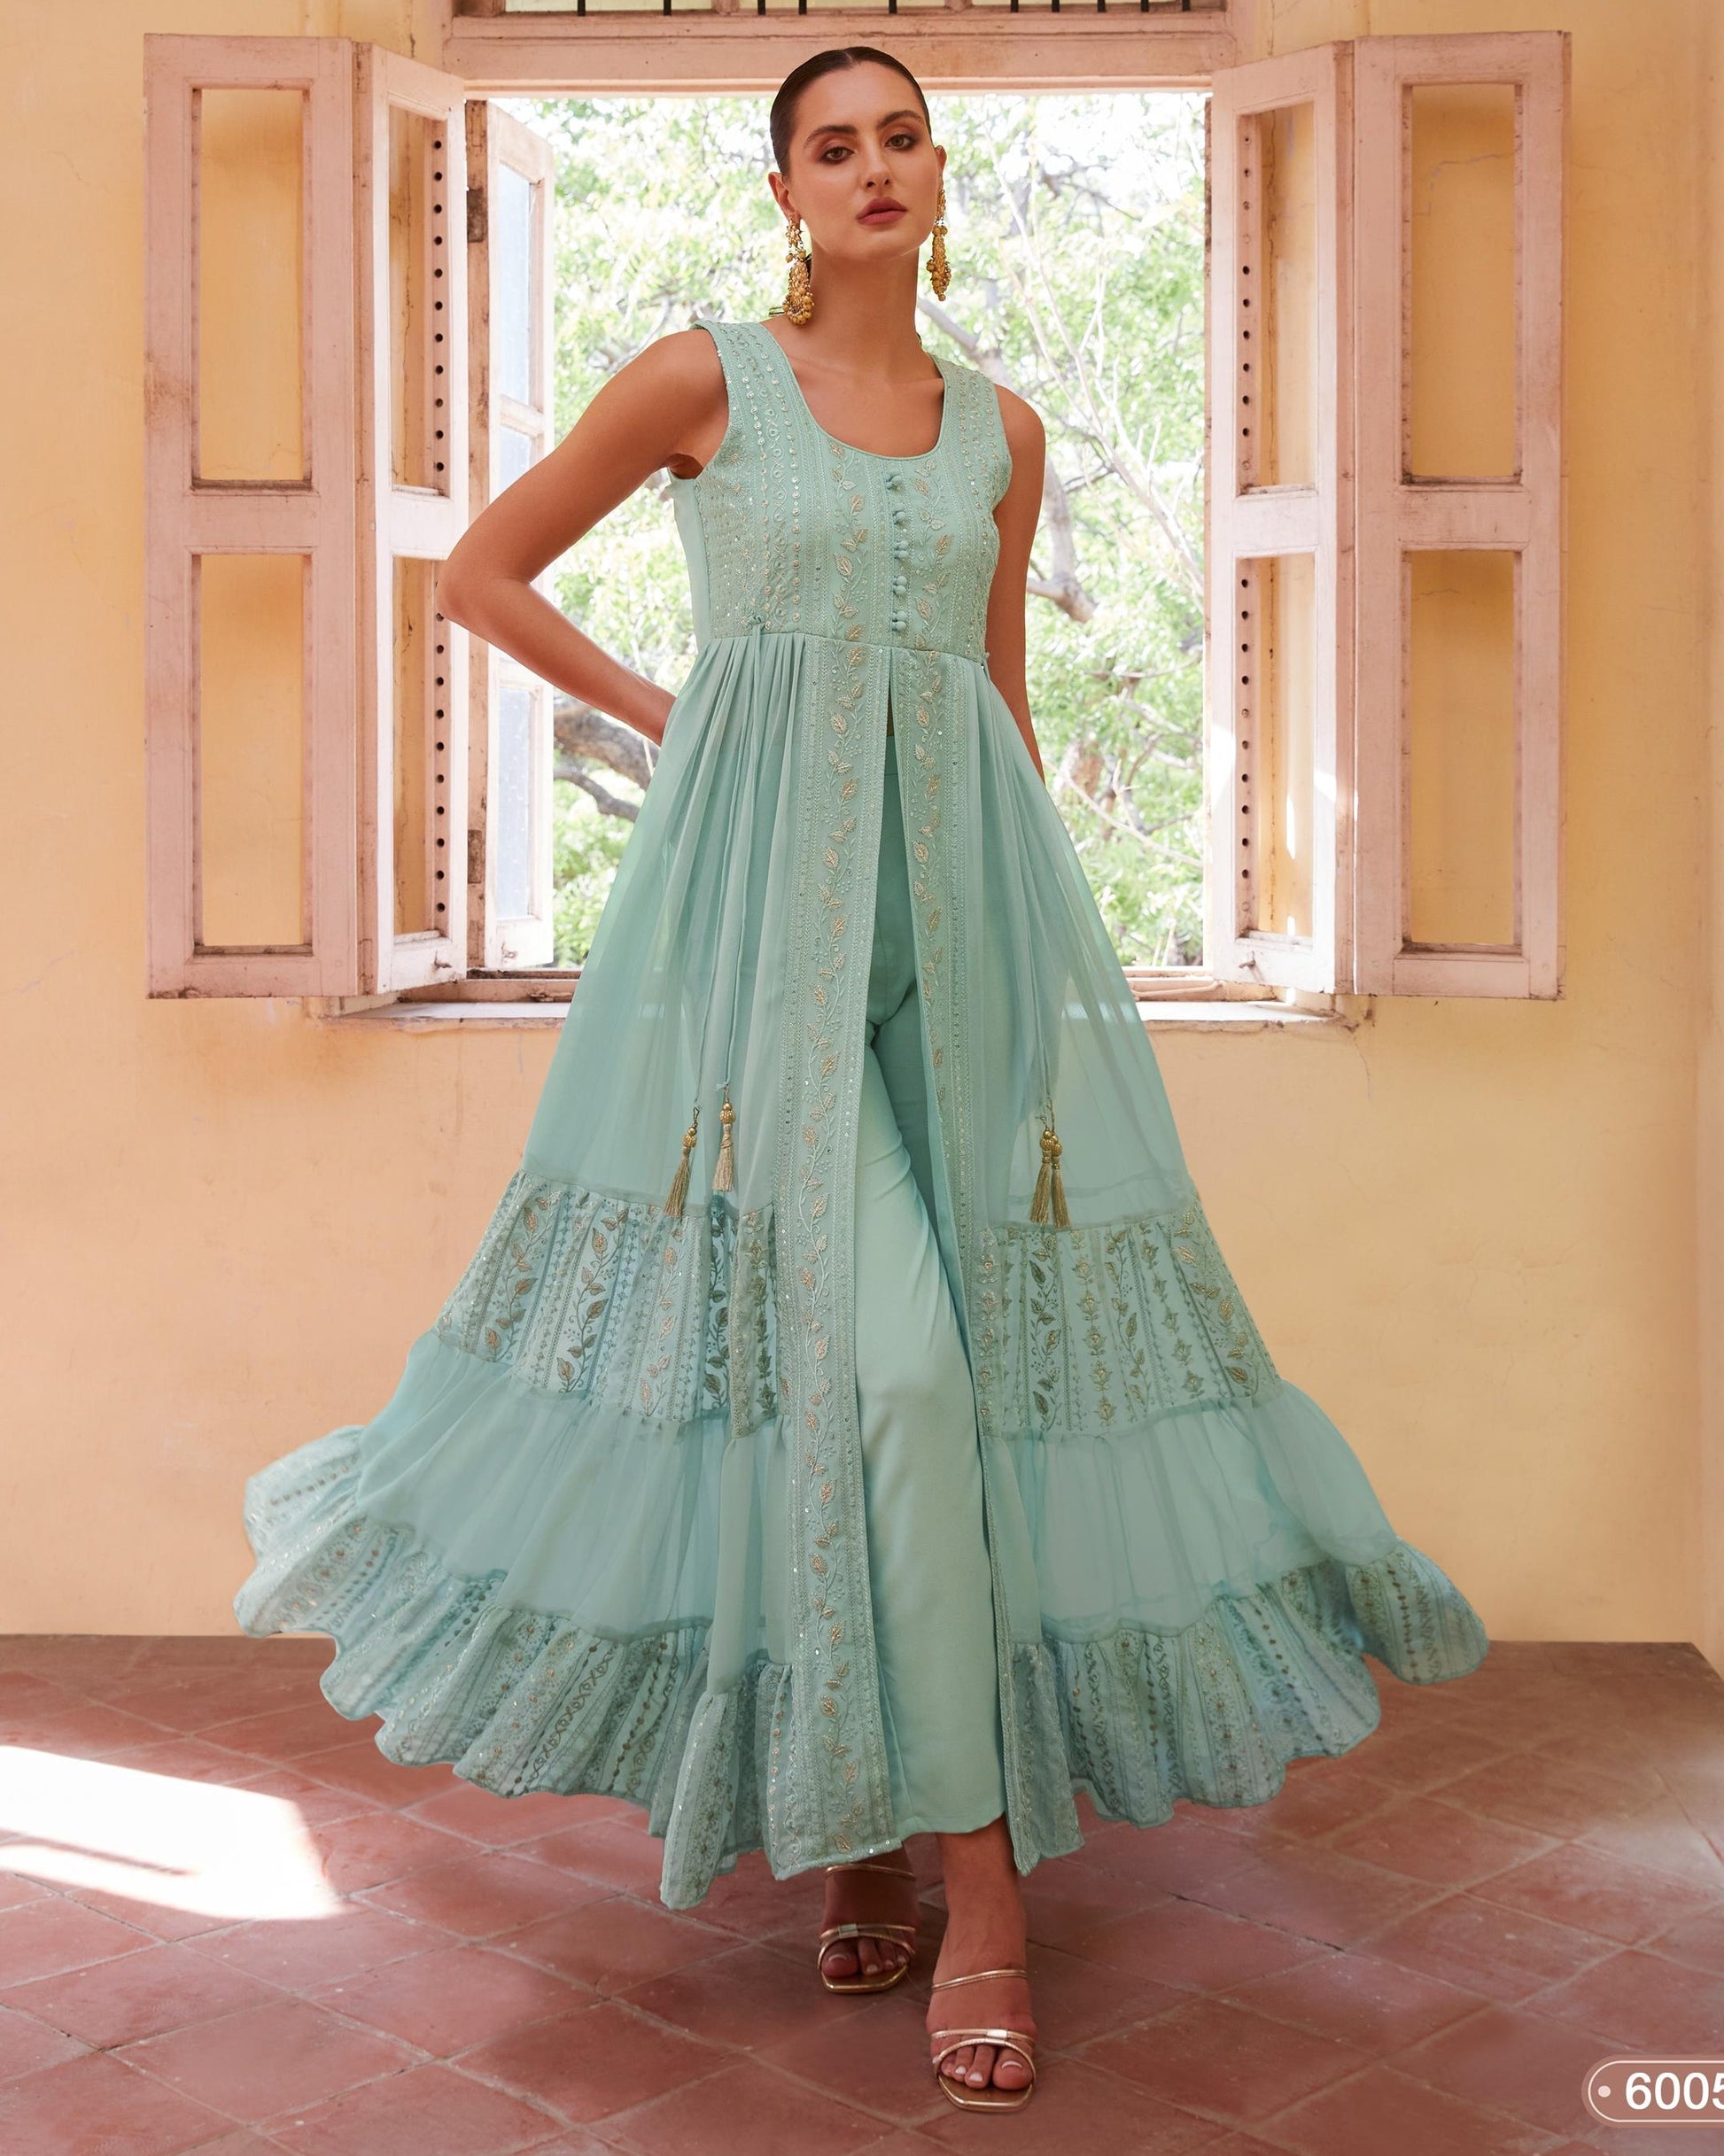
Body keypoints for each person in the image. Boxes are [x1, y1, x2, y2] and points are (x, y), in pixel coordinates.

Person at [234, 46, 1489, 2115]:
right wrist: (684, 716)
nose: (875, 166)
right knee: (878, 1369)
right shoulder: (700, 376)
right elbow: (477, 572)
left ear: (938, 172)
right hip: (764, 968)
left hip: (965, 957)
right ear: (785, 191)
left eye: (902, 135)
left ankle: (856, 1818)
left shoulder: (1001, 425)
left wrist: (1053, 989)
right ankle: (979, 1884)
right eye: (835, 144)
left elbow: (991, 703)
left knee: (949, 1376)